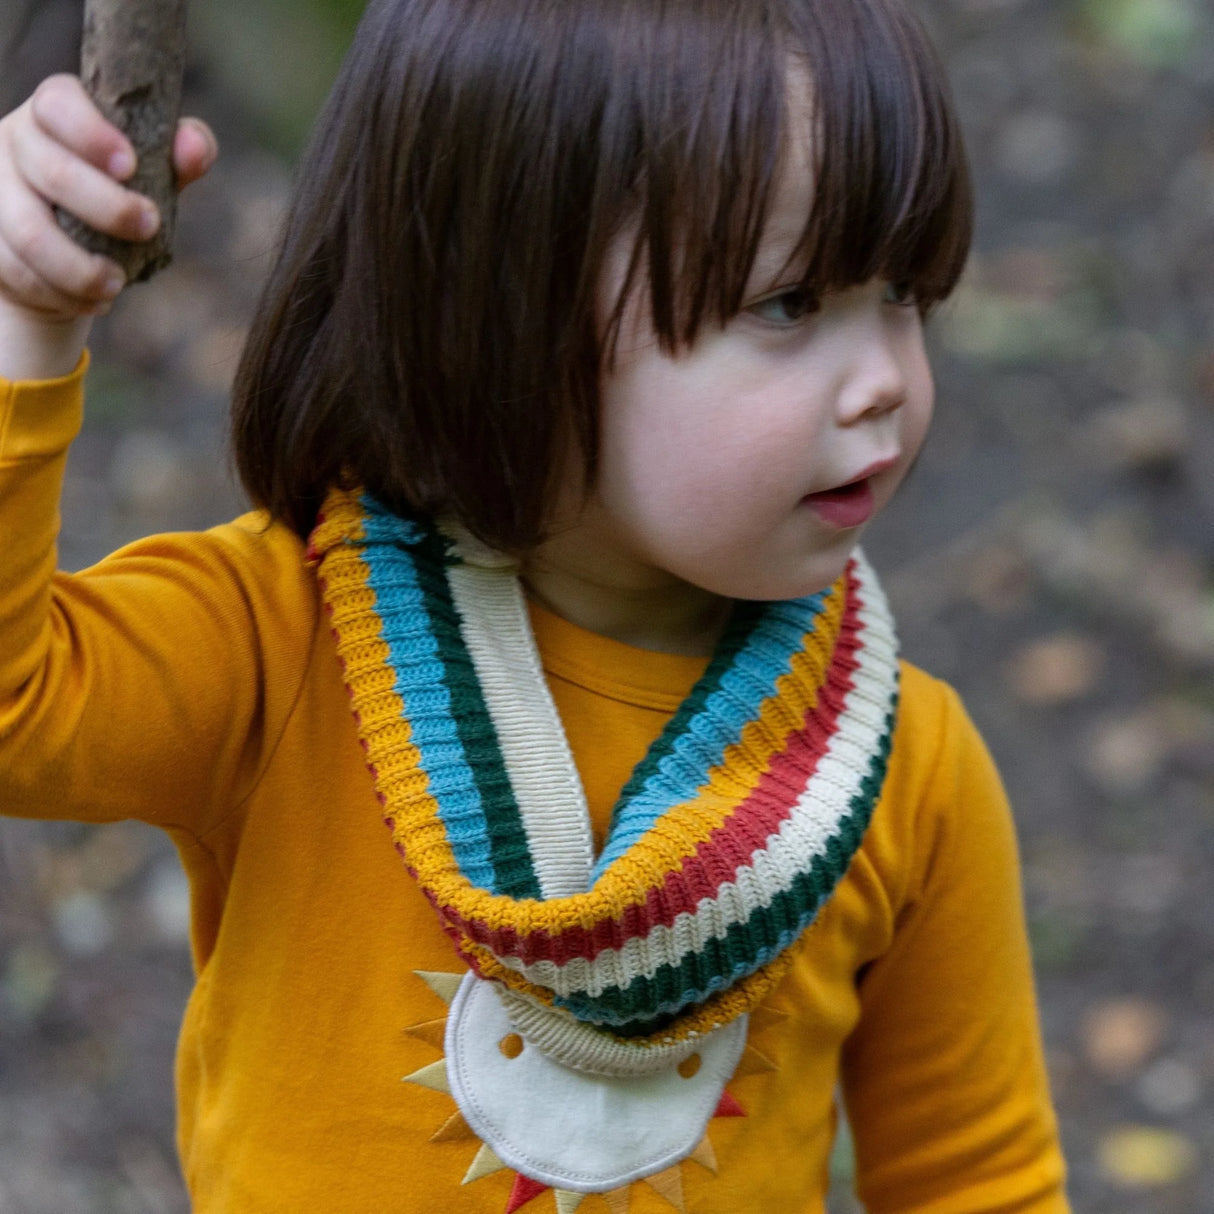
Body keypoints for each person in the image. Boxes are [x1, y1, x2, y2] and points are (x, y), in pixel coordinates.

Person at [0, 0, 1070, 1209]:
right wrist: (21, 329)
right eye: (788, 304)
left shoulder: (895, 771)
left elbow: (975, 1178)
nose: (884, 378)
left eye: (906, 296)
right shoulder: (284, 643)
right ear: (502, 302)